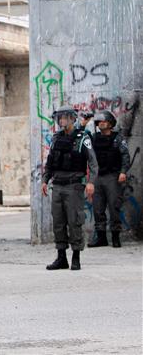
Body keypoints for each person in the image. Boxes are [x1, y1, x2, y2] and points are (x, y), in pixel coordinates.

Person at [42, 105, 98, 271]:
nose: (61, 121)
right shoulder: (56, 138)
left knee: (75, 221)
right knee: (58, 222)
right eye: (59, 118)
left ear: (72, 119)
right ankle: (61, 258)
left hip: (74, 186)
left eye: (64, 117)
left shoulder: (82, 138)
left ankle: (76, 257)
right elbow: (50, 162)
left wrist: (91, 182)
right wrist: (45, 180)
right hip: (57, 185)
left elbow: (93, 163)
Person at [88, 110, 130, 248]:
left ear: (111, 124)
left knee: (114, 207)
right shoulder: (94, 138)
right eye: (99, 122)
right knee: (98, 208)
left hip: (113, 177)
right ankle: (101, 238)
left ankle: (115, 237)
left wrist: (123, 171)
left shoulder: (118, 138)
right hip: (98, 177)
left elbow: (125, 156)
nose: (101, 124)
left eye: (104, 122)